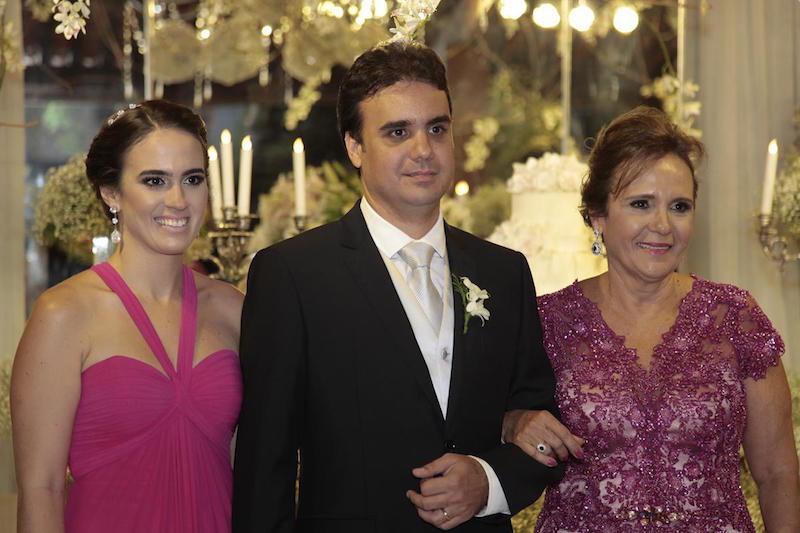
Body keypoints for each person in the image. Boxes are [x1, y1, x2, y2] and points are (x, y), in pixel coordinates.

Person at [233, 40, 563, 533]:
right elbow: (265, 464)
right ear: (355, 147)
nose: (423, 150)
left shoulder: (503, 272)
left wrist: (489, 482)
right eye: (397, 132)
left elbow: (541, 426)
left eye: (437, 128)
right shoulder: (294, 275)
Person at [503, 106, 800, 531]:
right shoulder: (546, 322)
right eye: (641, 204)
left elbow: (777, 474)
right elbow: (478, 420)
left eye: (679, 206)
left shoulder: (735, 318)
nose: (662, 225)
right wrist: (512, 422)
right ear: (598, 216)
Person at [12, 100, 244, 533]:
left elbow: (249, 466)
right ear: (111, 192)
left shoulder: (233, 309)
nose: (178, 200)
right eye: (155, 180)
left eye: (192, 179)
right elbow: (42, 488)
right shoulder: (64, 314)